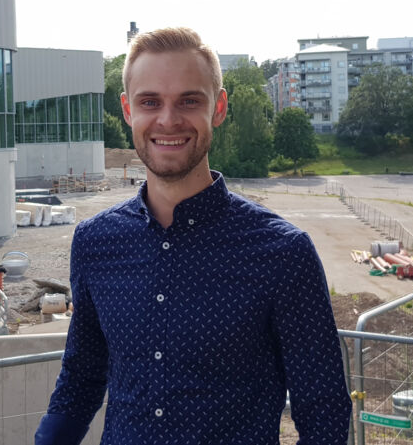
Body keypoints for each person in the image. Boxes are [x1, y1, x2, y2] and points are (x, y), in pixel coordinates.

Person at [35, 27, 352, 444]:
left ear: (218, 108)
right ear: (128, 110)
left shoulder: (282, 253)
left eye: (189, 100)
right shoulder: (95, 242)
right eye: (151, 102)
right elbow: (82, 374)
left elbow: (323, 409)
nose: (168, 119)